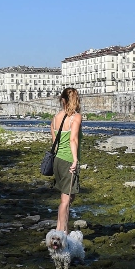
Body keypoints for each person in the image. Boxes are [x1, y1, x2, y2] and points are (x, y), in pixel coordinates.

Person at [51, 87, 82, 233]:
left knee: (67, 198)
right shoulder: (76, 117)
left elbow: (55, 143)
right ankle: (61, 232)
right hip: (69, 160)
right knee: (66, 200)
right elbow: (73, 139)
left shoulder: (55, 118)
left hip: (57, 160)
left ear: (62, 100)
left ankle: (60, 228)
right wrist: (75, 160)